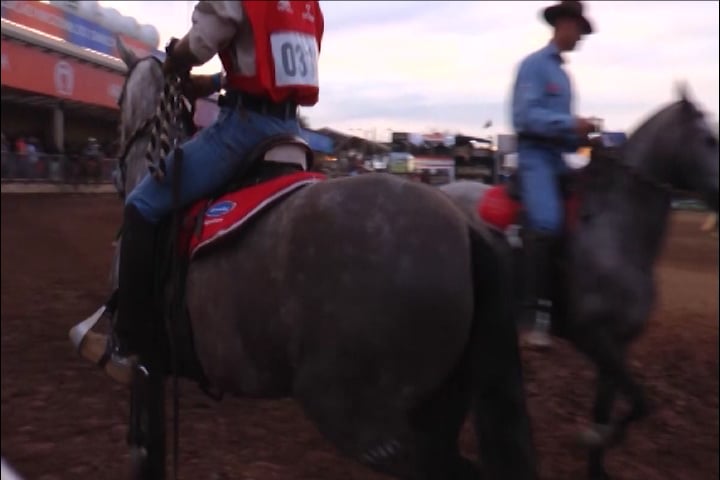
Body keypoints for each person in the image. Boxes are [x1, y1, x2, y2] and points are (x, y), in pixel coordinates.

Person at [78, 0, 325, 384]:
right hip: (292, 133)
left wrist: (175, 60)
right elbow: (267, 67)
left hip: (243, 130)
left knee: (141, 204)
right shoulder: (305, 5)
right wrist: (211, 84)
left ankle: (129, 344)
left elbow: (201, 43)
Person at [510, 0, 596, 348]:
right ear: (562, 25)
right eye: (579, 30)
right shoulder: (534, 66)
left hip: (559, 157)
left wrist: (580, 135)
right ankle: (532, 317)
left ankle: (569, 307)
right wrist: (568, 123)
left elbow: (563, 131)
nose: (580, 37)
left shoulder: (563, 76)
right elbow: (524, 118)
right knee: (546, 221)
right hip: (535, 158)